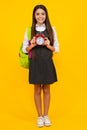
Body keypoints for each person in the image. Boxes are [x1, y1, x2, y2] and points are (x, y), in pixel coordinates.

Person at [22, 4, 59, 127]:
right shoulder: (29, 30)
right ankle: (39, 116)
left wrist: (48, 45)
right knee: (37, 90)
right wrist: (32, 44)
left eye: (42, 14)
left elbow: (56, 49)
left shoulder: (51, 29)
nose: (40, 16)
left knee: (47, 89)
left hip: (47, 62)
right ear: (34, 16)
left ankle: (46, 115)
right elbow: (25, 50)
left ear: (46, 15)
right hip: (35, 63)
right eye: (37, 14)